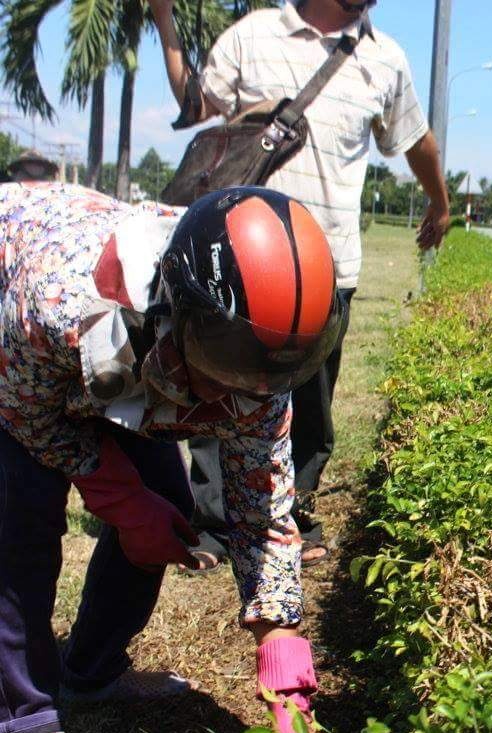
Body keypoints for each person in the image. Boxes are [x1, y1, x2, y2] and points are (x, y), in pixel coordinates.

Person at [0, 182, 343, 733]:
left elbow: (261, 513)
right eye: (227, 364)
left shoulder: (259, 370)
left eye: (265, 374)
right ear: (177, 311)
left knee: (166, 504)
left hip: (127, 356)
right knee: (21, 514)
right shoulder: (57, 302)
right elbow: (26, 414)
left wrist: (281, 649)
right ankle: (20, 717)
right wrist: (122, 503)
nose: (245, 393)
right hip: (20, 356)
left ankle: (93, 672)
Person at [148, 0, 452, 569]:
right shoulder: (254, 33)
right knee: (217, 386)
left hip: (327, 262)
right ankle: (214, 525)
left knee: (311, 398)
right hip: (235, 260)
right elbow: (196, 106)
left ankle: (290, 514)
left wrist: (440, 203)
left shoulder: (385, 59)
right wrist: (165, 23)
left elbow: (416, 140)